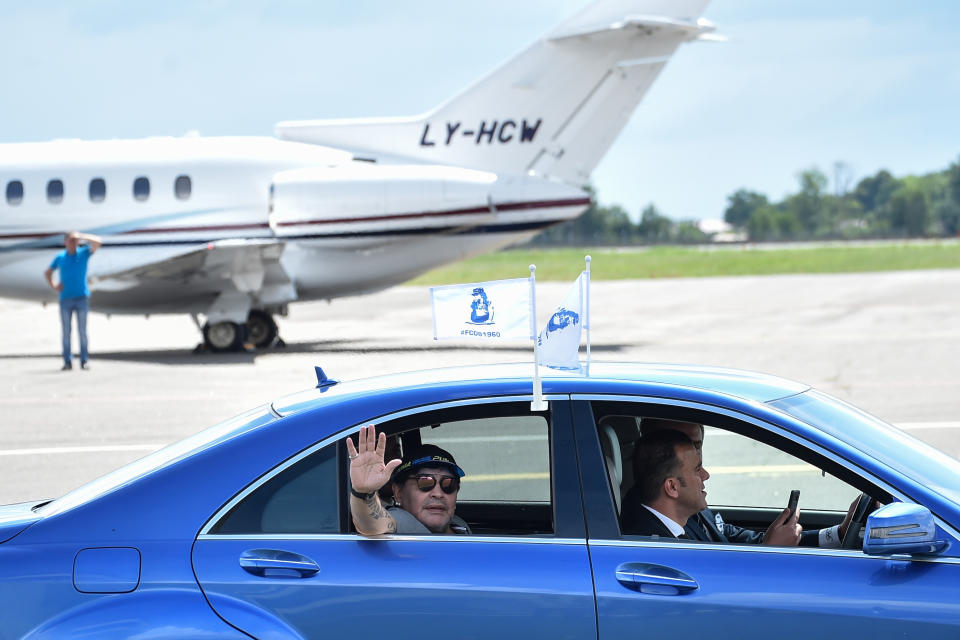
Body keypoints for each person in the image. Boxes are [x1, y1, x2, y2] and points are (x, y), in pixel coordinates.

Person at [634, 418, 857, 546]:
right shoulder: (648, 537)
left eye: (697, 445)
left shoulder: (686, 509)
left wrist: (837, 534)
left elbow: (733, 539)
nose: (706, 473)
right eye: (685, 446)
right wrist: (770, 555)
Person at [346, 424, 471, 535]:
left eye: (448, 484)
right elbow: (371, 524)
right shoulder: (402, 522)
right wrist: (363, 491)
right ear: (399, 492)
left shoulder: (459, 524)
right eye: (425, 482)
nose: (438, 494)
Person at [621, 429, 724, 539]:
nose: (706, 475)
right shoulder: (656, 547)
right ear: (672, 487)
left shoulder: (662, 531)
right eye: (697, 469)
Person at [44, 231, 101, 370]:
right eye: (70, 240)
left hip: (81, 298)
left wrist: (81, 236)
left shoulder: (83, 254)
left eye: (75, 241)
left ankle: (84, 360)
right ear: (65, 242)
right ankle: (67, 361)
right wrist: (54, 285)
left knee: (82, 331)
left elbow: (98, 242)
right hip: (65, 299)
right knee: (66, 332)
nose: (73, 243)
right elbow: (48, 272)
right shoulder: (61, 257)